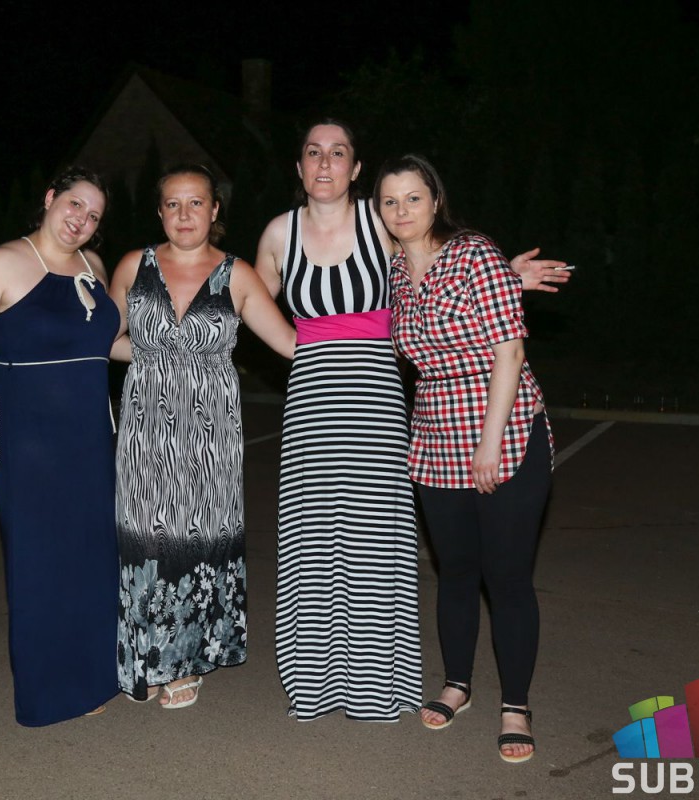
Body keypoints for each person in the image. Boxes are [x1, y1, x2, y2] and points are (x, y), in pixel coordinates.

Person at [254, 120, 568, 722]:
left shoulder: (390, 231)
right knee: (341, 548)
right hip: (361, 413)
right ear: (299, 166)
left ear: (356, 168)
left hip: (415, 409)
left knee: (396, 549)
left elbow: (460, 275)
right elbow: (251, 297)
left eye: (338, 153)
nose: (325, 163)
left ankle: (468, 697)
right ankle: (346, 681)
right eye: (313, 152)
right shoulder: (296, 237)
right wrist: (294, 344)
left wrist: (507, 276)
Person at [376, 154, 553, 764]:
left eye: (413, 197)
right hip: (434, 436)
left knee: (506, 577)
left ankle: (516, 705)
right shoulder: (395, 271)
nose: (402, 210)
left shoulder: (474, 252)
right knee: (454, 571)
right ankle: (457, 684)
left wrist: (489, 443)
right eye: (391, 201)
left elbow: (510, 352)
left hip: (502, 429)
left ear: (436, 200)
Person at [108, 165, 295, 708]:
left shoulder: (237, 275)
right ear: (159, 212)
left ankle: (185, 661)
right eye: (172, 204)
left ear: (215, 210)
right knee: (144, 538)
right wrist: (153, 356)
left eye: (196, 203)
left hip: (210, 430)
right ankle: (145, 657)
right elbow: (102, 339)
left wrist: (373, 331)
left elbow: (290, 343)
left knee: (197, 537)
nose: (184, 214)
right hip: (145, 425)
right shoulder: (133, 265)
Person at [0, 167, 119, 726]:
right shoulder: (3, 262)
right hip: (29, 445)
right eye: (75, 204)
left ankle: (94, 678)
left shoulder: (95, 267)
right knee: (39, 568)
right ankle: (48, 693)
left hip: (92, 441)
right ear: (49, 198)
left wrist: (181, 347)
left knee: (90, 561)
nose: (81, 220)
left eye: (94, 215)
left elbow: (104, 346)